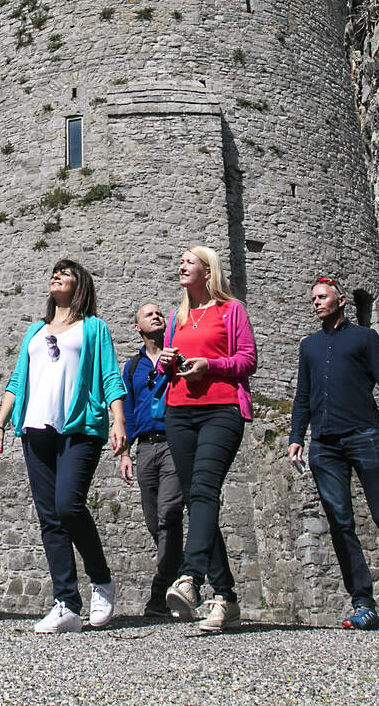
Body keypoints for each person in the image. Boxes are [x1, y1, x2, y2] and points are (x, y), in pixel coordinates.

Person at [0, 258, 127, 633]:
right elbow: (17, 380)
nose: (56, 276)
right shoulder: (35, 331)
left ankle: (101, 580)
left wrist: (118, 421)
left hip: (80, 427)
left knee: (69, 505)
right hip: (34, 429)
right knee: (49, 518)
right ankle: (66, 603)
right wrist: (0, 423)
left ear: (79, 285)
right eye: (53, 272)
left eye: (65, 274)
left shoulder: (94, 329)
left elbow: (110, 376)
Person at [287, 275, 379, 632]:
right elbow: (303, 395)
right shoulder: (309, 346)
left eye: (322, 297)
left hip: (365, 436)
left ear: (342, 300)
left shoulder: (365, 338)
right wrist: (296, 436)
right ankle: (362, 601)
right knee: (340, 523)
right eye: (313, 298)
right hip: (325, 445)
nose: (316, 302)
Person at [157, 245, 257, 634]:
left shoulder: (231, 311)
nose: (181, 265)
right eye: (179, 260)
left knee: (204, 491)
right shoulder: (176, 317)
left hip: (222, 409)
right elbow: (170, 371)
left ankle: (190, 577)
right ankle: (227, 598)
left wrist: (210, 366)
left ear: (207, 270)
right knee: (198, 499)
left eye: (189, 261)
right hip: (179, 411)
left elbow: (247, 359)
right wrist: (168, 364)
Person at [117, 302, 187, 618]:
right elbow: (128, 412)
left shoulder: (179, 357)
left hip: (174, 444)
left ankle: (159, 595)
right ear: (138, 328)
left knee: (169, 513)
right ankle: (183, 578)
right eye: (148, 314)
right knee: (153, 521)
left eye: (159, 313)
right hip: (145, 448)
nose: (156, 316)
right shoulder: (132, 368)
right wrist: (126, 453)